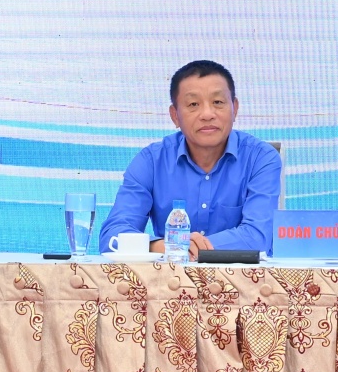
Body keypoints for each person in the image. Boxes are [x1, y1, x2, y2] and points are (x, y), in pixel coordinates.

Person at [99, 60, 281, 258]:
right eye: (193, 104)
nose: (207, 114)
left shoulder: (261, 159)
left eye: (218, 102)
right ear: (175, 116)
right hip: (170, 276)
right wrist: (163, 247)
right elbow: (112, 238)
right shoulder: (151, 161)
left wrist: (187, 246)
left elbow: (258, 237)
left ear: (234, 108)